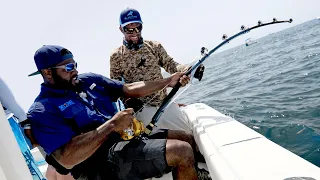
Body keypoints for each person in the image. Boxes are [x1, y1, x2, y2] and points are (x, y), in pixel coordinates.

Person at [27, 45, 211, 180]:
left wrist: (167, 81)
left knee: (187, 138)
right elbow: (65, 159)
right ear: (47, 73)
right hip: (98, 165)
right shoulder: (42, 109)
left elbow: (129, 88)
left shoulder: (88, 80)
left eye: (74, 64)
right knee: (181, 151)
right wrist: (113, 124)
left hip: (124, 139)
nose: (75, 70)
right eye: (67, 68)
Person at [110, 8, 204, 134]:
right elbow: (115, 87)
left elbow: (171, 64)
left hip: (164, 103)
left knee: (189, 133)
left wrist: (189, 70)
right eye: (129, 29)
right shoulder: (116, 56)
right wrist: (129, 101)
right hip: (141, 110)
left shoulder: (154, 46)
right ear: (121, 29)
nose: (135, 32)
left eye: (138, 27)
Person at [0, 76, 45, 179]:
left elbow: (9, 100)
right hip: (7, 127)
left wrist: (25, 122)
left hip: (7, 127)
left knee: (26, 167)